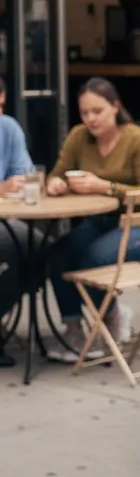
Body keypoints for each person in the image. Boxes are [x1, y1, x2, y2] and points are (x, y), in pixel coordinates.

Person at [45, 78, 140, 363]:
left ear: (115, 107)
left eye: (97, 111)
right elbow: (57, 173)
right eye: (84, 113)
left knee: (92, 258)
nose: (90, 119)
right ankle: (73, 330)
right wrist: (55, 184)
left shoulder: (138, 139)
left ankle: (112, 315)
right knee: (58, 254)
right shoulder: (79, 137)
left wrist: (106, 187)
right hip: (98, 222)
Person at [0, 77, 34, 367]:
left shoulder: (8, 128)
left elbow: (25, 174)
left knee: (41, 249)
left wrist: (21, 182)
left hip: (6, 221)